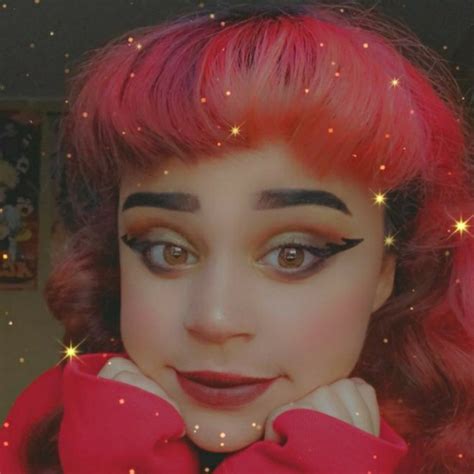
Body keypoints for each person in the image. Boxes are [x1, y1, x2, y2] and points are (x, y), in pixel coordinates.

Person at [1, 2, 473, 473]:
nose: (215, 320)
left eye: (292, 254)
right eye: (169, 250)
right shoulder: (38, 432)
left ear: (384, 276)